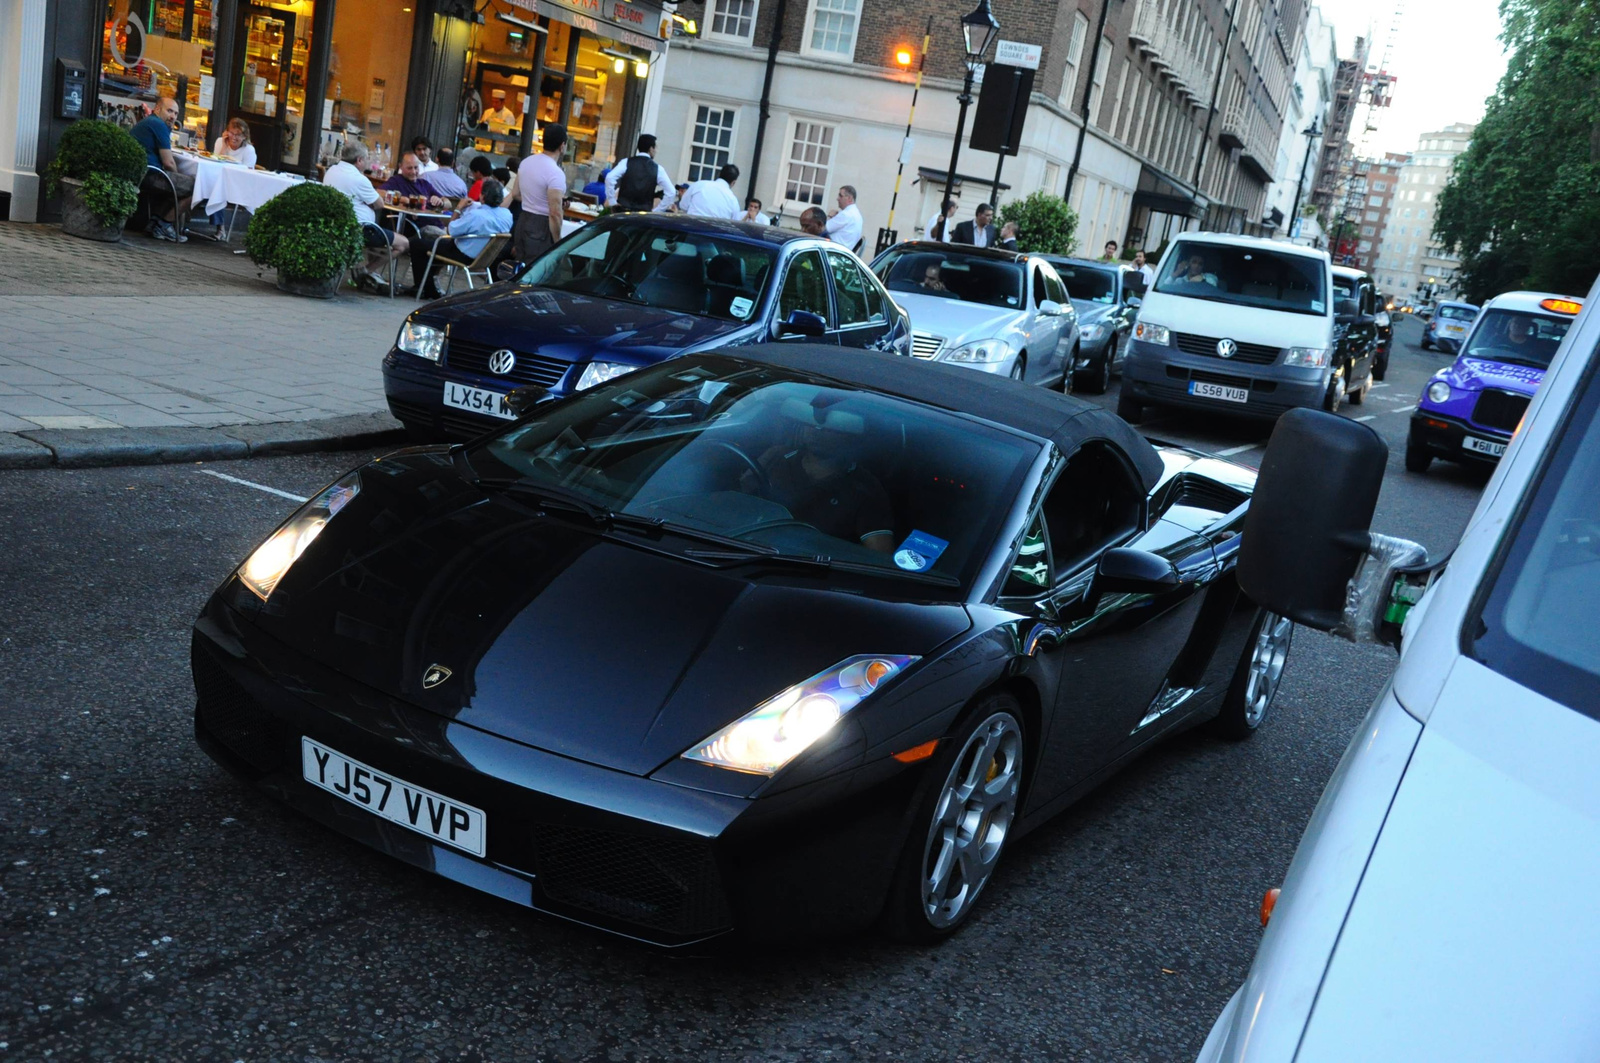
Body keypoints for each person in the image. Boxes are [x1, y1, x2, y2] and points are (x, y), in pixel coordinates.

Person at [751, 415, 894, 554]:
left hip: (810, 568)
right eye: (812, 422)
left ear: (850, 434)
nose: (816, 430)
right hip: (748, 549)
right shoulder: (776, 456)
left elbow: (879, 555)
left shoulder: (866, 487)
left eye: (829, 427)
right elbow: (738, 501)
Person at [408, 177, 514, 299]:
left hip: (463, 254)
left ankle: (427, 289)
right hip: (485, 257)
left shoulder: (476, 215)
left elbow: (451, 230)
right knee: (433, 244)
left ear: (483, 196)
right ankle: (428, 287)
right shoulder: (507, 215)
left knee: (417, 243)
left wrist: (458, 208)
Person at [323, 142, 408, 293]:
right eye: (367, 158)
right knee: (403, 243)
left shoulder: (332, 170)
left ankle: (368, 275)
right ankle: (365, 271)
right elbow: (379, 204)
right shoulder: (359, 179)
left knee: (381, 236)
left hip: (337, 226)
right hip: (360, 230)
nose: (369, 161)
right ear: (359, 160)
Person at [129, 96, 194, 242]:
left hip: (141, 172)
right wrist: (179, 181)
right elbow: (169, 163)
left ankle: (155, 223)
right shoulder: (158, 125)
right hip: (149, 174)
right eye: (169, 111)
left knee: (181, 184)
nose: (173, 116)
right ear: (157, 109)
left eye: (176, 113)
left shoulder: (151, 121)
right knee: (196, 187)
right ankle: (164, 225)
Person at [513, 121, 567, 263]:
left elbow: (515, 194)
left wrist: (533, 200)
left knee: (521, 269)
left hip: (523, 220)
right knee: (538, 271)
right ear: (562, 146)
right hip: (541, 227)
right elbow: (555, 213)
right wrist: (558, 242)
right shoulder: (555, 173)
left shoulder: (526, 162)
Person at [606, 134, 676, 212]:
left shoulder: (626, 162)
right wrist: (658, 210)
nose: (656, 151)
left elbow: (610, 178)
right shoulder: (658, 169)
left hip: (622, 211)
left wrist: (612, 201)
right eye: (655, 148)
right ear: (651, 149)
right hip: (642, 215)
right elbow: (671, 192)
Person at [383, 153, 449, 208]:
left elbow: (448, 203)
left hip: (432, 220)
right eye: (409, 168)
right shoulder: (396, 181)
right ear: (400, 166)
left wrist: (441, 202)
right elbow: (379, 193)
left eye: (416, 167)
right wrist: (403, 199)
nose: (414, 172)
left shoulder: (425, 184)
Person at [825, 185, 863, 251]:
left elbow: (823, 228)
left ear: (850, 198)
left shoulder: (846, 214)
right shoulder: (856, 214)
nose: (837, 198)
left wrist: (829, 216)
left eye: (840, 196)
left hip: (833, 252)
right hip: (842, 252)